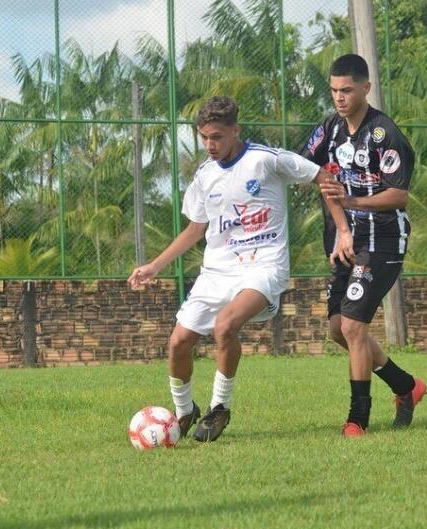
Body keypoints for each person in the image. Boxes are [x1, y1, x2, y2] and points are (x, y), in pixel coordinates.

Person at [128, 96, 352, 443]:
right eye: (204, 137)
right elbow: (194, 229)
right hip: (216, 272)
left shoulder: (266, 160)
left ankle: (220, 408)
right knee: (178, 343)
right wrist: (155, 265)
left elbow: (322, 176)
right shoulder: (204, 176)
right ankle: (185, 412)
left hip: (264, 266)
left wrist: (343, 230)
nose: (209, 145)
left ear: (236, 130)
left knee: (225, 325)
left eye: (216, 136)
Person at [301, 54, 427, 437]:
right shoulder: (329, 129)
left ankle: (358, 419)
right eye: (334, 90)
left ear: (366, 88)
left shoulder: (383, 134)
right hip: (346, 239)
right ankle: (406, 386)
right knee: (339, 329)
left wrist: (349, 201)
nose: (339, 98)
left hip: (383, 238)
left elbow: (399, 195)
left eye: (347, 90)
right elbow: (308, 168)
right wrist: (340, 225)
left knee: (355, 325)